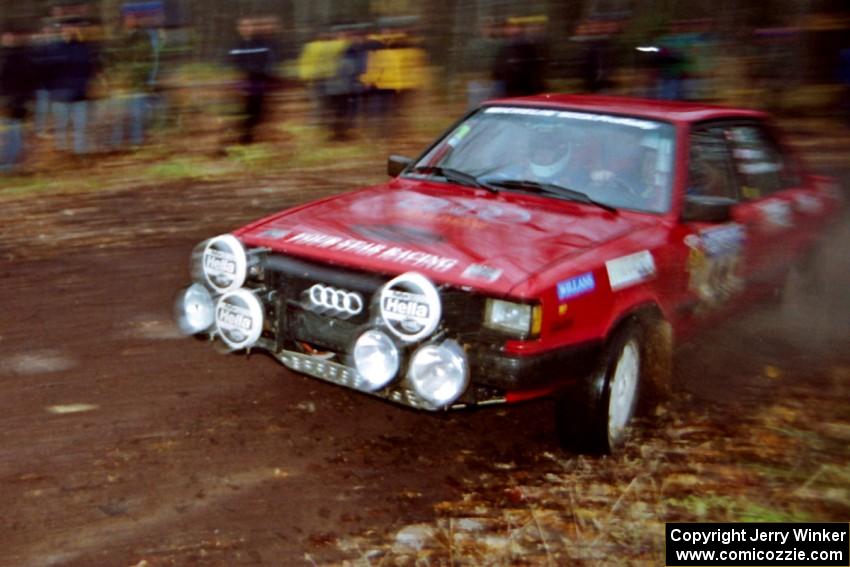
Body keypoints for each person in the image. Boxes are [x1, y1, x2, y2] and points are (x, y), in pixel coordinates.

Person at [228, 17, 280, 145]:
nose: (247, 29)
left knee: (258, 111)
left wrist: (265, 76)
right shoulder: (236, 45)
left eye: (249, 26)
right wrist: (239, 84)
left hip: (259, 81)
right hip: (244, 82)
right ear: (239, 29)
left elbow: (267, 61)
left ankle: (250, 137)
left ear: (253, 28)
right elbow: (233, 65)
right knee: (245, 112)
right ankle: (243, 138)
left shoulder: (261, 44)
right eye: (243, 26)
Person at [1, 27, 36, 173]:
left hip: (16, 101)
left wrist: (27, 98)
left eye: (11, 37)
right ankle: (9, 162)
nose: (8, 40)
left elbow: (29, 79)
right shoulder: (5, 56)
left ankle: (14, 163)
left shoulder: (22, 57)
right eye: (6, 37)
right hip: (5, 100)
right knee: (7, 133)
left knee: (15, 133)